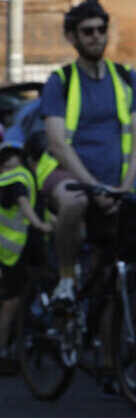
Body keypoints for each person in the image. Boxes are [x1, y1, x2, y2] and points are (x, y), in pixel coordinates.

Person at [38, 0, 136, 304]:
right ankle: (66, 278)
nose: (97, 36)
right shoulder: (60, 81)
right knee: (74, 202)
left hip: (113, 182)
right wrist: (94, 187)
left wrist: (125, 187)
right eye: (88, 31)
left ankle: (107, 347)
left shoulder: (127, 77)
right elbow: (58, 143)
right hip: (68, 175)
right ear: (72, 37)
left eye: (101, 29)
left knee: (110, 283)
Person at [0, 135, 50, 372]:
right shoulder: (19, 178)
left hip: (23, 249)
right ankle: (3, 352)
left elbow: (39, 209)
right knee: (12, 302)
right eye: (7, 165)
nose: (11, 169)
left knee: (24, 298)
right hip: (12, 250)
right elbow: (23, 204)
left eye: (14, 164)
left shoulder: (30, 179)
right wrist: (40, 225)